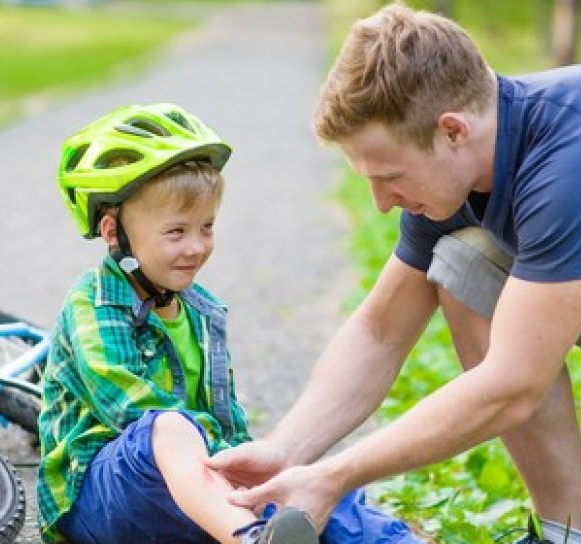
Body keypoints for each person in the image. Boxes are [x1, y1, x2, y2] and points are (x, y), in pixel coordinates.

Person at [206, 3, 581, 544]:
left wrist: (336, 476)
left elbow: (511, 386)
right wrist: (288, 452)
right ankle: (571, 535)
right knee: (466, 259)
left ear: (452, 130)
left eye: (388, 177)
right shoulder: (464, 165)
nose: (383, 203)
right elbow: (381, 331)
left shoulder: (573, 164)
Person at [37, 103, 422, 544]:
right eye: (176, 232)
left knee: (304, 483)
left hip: (197, 494)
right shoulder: (94, 302)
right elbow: (128, 405)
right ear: (113, 232)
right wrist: (227, 466)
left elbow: (228, 422)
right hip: (103, 500)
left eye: (207, 227)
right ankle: (250, 539)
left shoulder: (203, 312)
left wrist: (259, 473)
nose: (197, 247)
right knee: (168, 427)